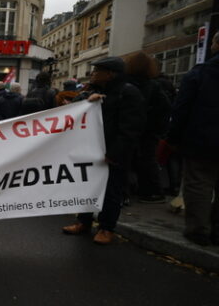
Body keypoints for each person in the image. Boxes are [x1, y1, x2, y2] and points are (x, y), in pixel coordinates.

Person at [62, 57, 146, 245]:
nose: (92, 73)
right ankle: (83, 221)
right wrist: (87, 100)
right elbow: (74, 109)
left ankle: (106, 228)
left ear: (110, 74)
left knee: (111, 191)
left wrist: (114, 153)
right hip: (92, 150)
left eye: (97, 70)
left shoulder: (129, 93)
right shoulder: (94, 92)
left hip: (114, 153)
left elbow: (131, 128)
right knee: (87, 186)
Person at [166, 32, 219, 246]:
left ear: (216, 45)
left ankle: (198, 230)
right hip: (202, 138)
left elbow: (181, 109)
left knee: (198, 184)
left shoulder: (201, 73)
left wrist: (173, 138)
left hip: (202, 140)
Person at [124, 52, 171, 204]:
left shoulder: (125, 84)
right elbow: (165, 108)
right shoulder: (153, 85)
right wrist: (156, 128)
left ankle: (127, 192)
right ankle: (151, 191)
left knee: (127, 159)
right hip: (147, 131)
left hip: (130, 129)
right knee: (147, 160)